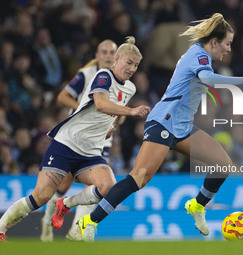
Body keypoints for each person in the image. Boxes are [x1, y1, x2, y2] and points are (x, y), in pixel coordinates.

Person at [75, 13, 243, 242]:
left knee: (223, 164)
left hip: (183, 127)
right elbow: (208, 79)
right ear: (214, 42)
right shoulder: (199, 56)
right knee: (139, 178)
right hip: (164, 121)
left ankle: (197, 206)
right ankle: (88, 222)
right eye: (227, 44)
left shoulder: (200, 54)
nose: (228, 49)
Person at [0, 36, 150, 242]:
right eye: (129, 62)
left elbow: (116, 111)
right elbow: (100, 103)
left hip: (90, 152)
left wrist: (112, 127)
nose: (132, 68)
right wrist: (132, 111)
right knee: (42, 196)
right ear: (117, 59)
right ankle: (2, 227)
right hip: (67, 144)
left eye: (136, 65)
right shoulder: (103, 76)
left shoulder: (130, 88)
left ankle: (65, 205)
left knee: (108, 186)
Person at [40, 39, 118, 242]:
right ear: (97, 55)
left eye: (112, 52)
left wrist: (116, 122)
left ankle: (77, 231)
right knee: (62, 185)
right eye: (104, 52)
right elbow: (62, 97)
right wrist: (83, 108)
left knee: (97, 186)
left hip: (100, 141)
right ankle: (47, 222)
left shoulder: (121, 80)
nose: (108, 55)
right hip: (75, 138)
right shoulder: (87, 75)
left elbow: (120, 110)